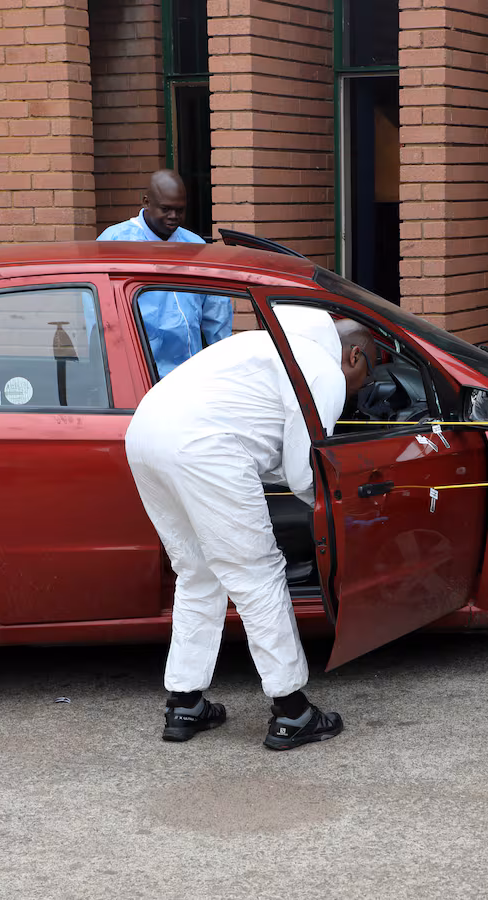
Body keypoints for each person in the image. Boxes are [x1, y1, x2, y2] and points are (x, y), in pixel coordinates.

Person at [125, 304, 375, 750]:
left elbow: (261, 438)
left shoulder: (262, 344)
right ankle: (293, 712)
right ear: (355, 355)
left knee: (197, 572)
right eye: (367, 374)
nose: (362, 387)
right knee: (257, 573)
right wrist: (346, 506)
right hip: (203, 447)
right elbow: (302, 473)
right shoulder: (324, 371)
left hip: (144, 434)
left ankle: (185, 703)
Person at [98, 169, 231, 378]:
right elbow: (97, 313)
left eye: (180, 210)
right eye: (166, 209)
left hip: (189, 373)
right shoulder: (114, 243)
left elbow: (216, 311)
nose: (174, 217)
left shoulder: (195, 247)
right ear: (146, 202)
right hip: (136, 374)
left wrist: (224, 364)